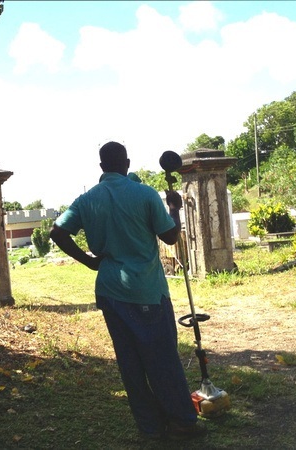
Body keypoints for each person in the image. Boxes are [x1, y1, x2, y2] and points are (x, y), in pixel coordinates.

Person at [50, 141, 205, 441]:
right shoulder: (144, 193)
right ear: (127, 163)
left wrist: (90, 261)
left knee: (130, 363)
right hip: (145, 290)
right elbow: (171, 237)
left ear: (101, 167)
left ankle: (150, 428)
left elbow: (57, 232)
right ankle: (183, 423)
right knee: (162, 360)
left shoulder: (87, 200)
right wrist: (174, 209)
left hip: (110, 291)